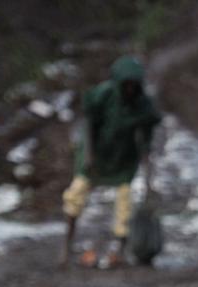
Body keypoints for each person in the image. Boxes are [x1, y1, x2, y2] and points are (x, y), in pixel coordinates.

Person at [61, 56, 162, 268]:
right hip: (96, 153)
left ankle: (120, 250)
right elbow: (89, 123)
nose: (130, 90)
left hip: (123, 157)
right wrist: (88, 154)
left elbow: (146, 141)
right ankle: (66, 247)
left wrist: (149, 175)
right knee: (76, 194)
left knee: (124, 202)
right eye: (127, 85)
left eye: (134, 85)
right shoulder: (103, 95)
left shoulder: (142, 105)